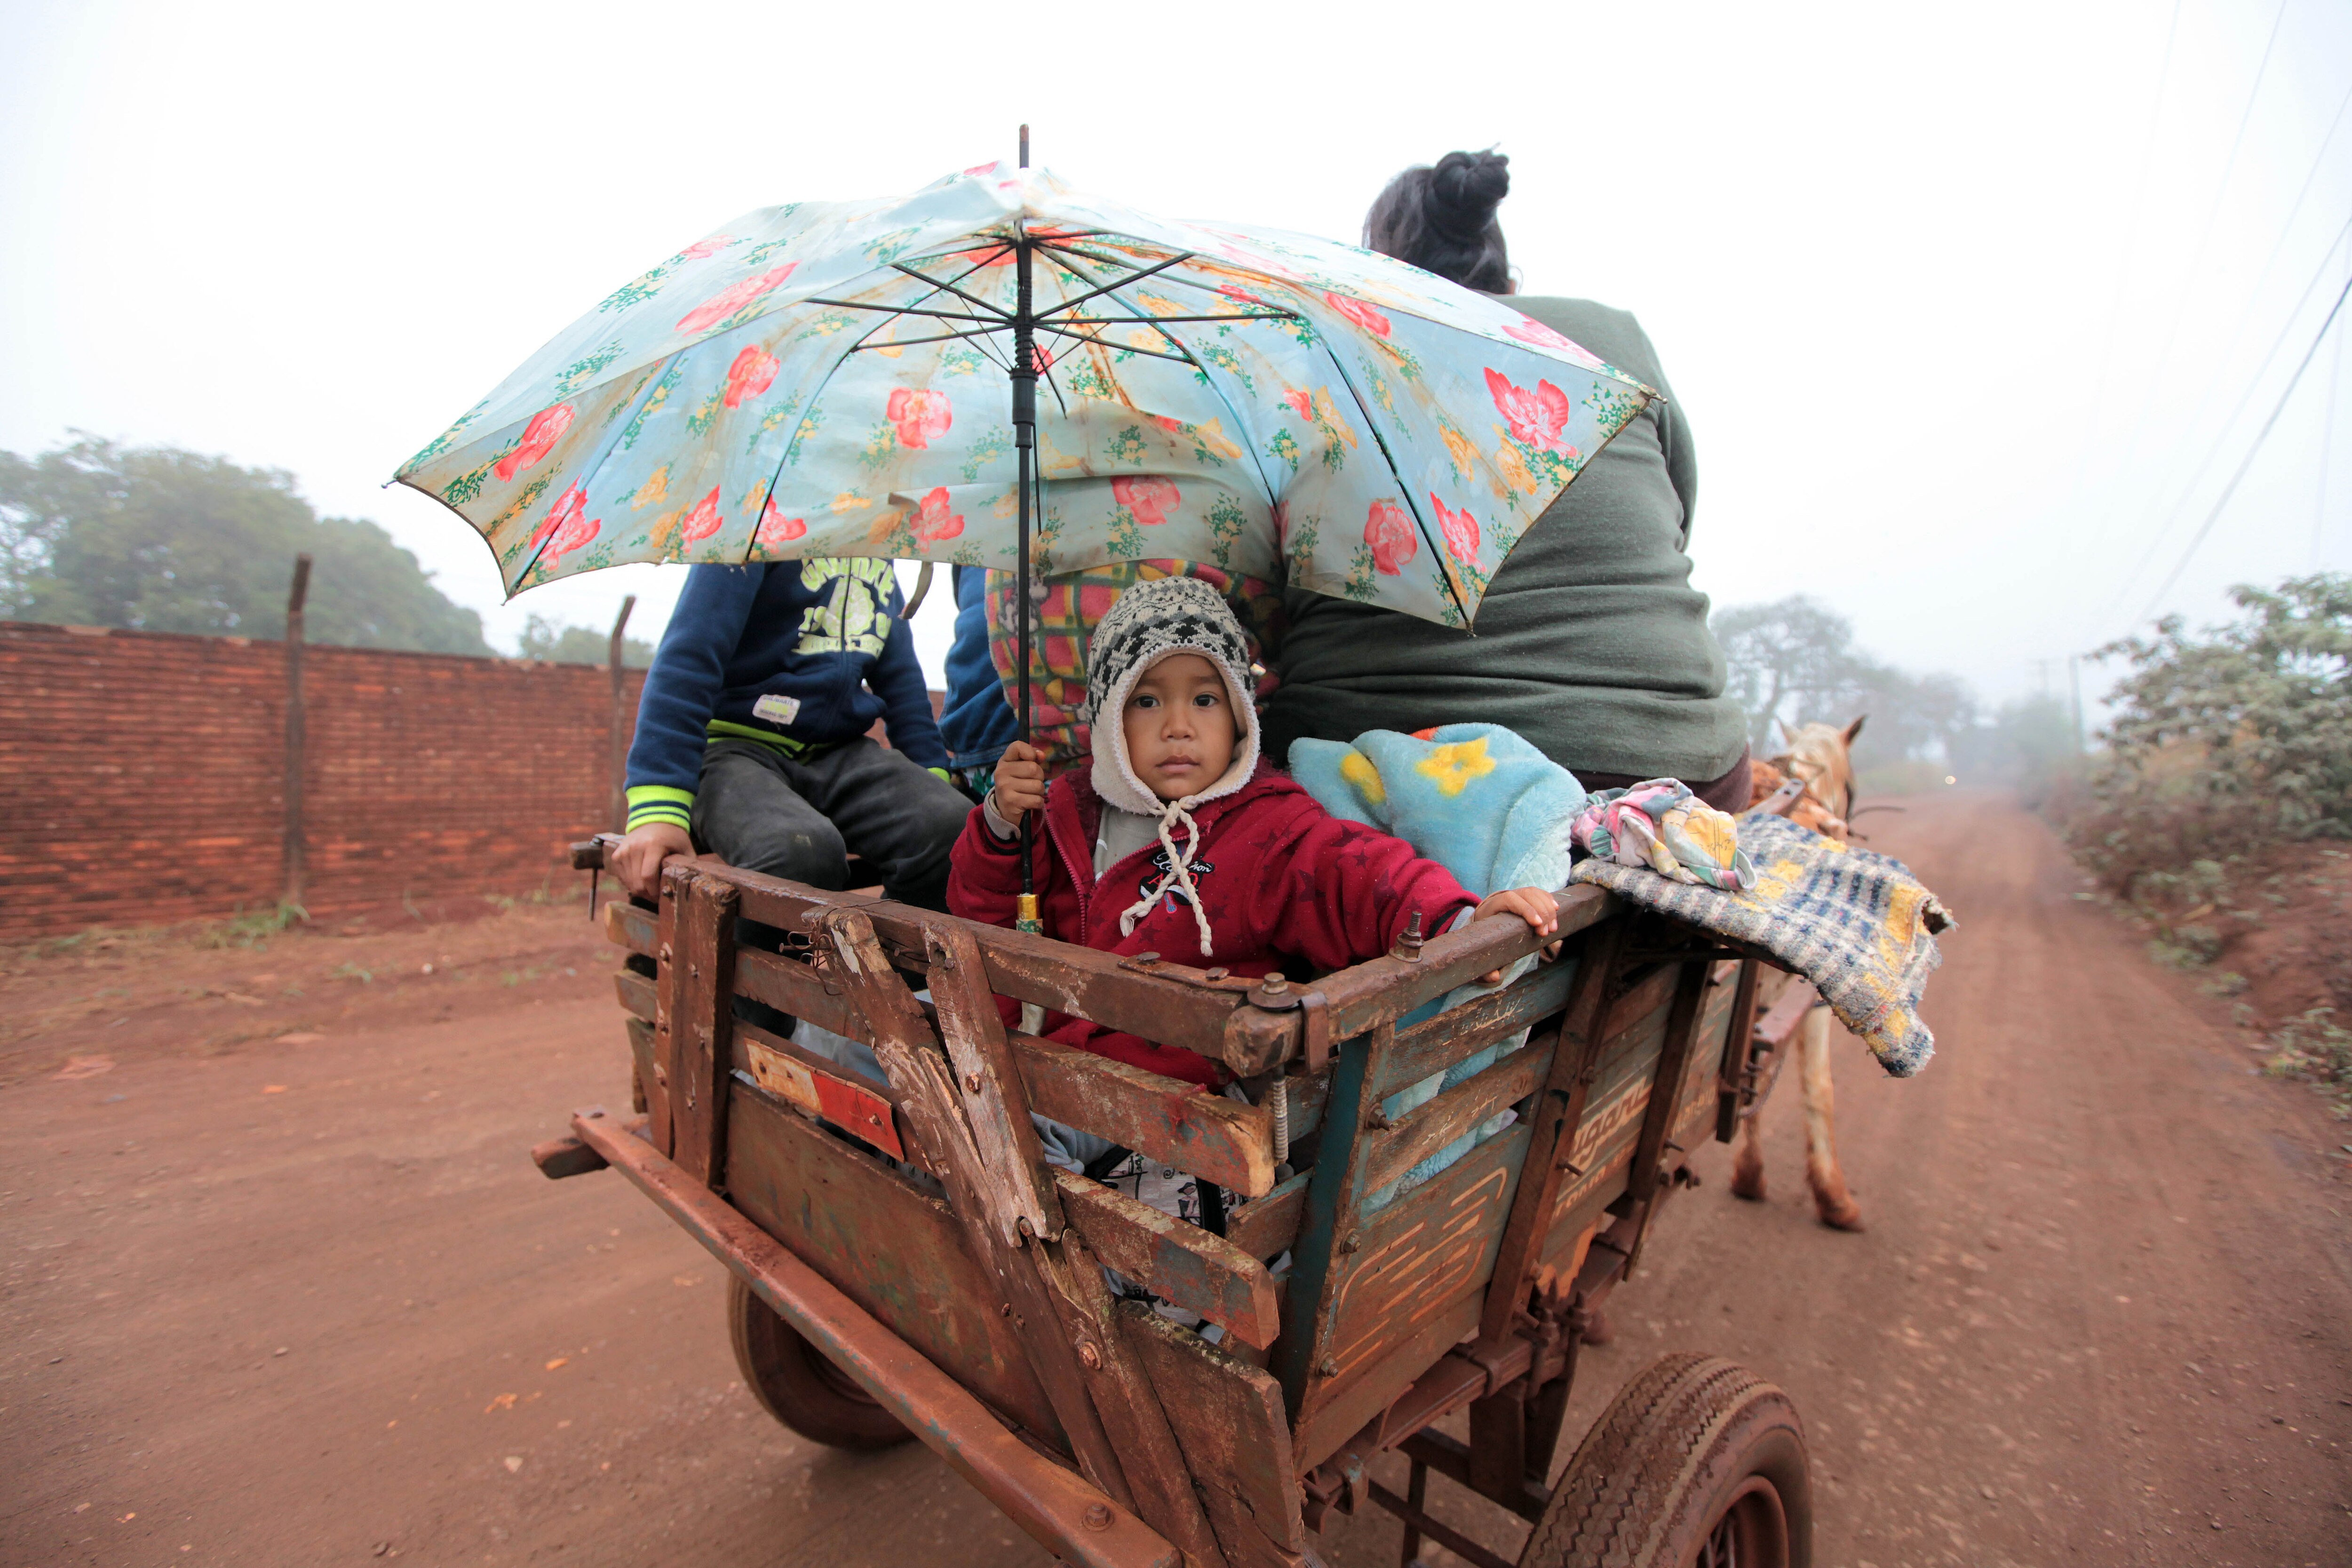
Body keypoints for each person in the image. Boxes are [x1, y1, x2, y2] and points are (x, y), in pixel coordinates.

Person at [1263, 150, 1753, 812]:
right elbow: (1677, 509)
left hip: (1393, 772)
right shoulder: (1610, 336)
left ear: (1378, 267)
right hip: (1673, 762)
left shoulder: (1319, 364)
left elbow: (1265, 594)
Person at [948, 576, 1563, 1090]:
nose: (1179, 727)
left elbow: (1363, 877)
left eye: (1207, 700)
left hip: (1177, 1095)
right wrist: (1003, 825)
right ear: (1107, 720)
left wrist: (1458, 921)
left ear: (1242, 715)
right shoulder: (1062, 811)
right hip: (1038, 1062)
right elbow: (983, 912)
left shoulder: (1271, 828)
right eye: (1147, 701)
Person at [607, 558, 973, 907]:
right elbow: (689, 659)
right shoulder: (754, 533)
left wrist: (931, 773)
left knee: (951, 827)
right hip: (734, 748)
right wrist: (657, 813)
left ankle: (903, 967)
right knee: (801, 850)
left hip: (837, 749)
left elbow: (901, 680)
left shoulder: (873, 541)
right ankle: (753, 969)